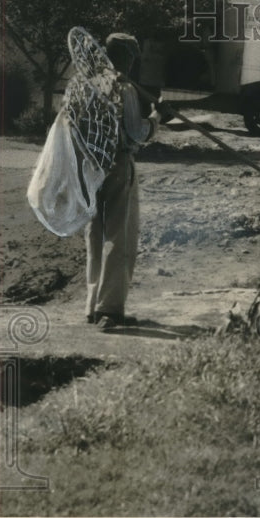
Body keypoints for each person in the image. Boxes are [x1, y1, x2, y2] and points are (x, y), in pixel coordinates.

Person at [85, 33, 159, 331]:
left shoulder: (87, 85)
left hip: (91, 167)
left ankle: (93, 306)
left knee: (96, 234)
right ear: (126, 57)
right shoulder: (124, 89)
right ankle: (110, 309)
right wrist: (155, 119)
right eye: (132, 57)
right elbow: (136, 132)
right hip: (117, 163)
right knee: (119, 235)